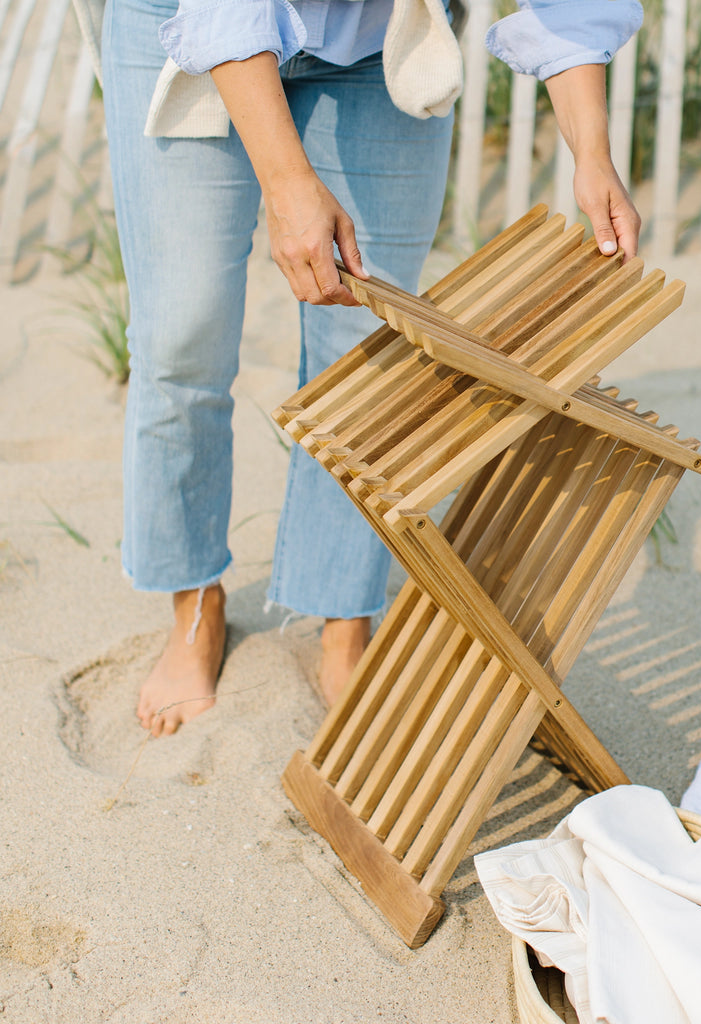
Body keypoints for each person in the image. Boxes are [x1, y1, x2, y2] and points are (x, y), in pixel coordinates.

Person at [99, 0, 644, 736]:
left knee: (371, 352)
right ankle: (195, 603)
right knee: (182, 336)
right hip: (190, 18)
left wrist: (592, 154)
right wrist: (288, 183)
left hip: (375, 40)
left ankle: (343, 618)